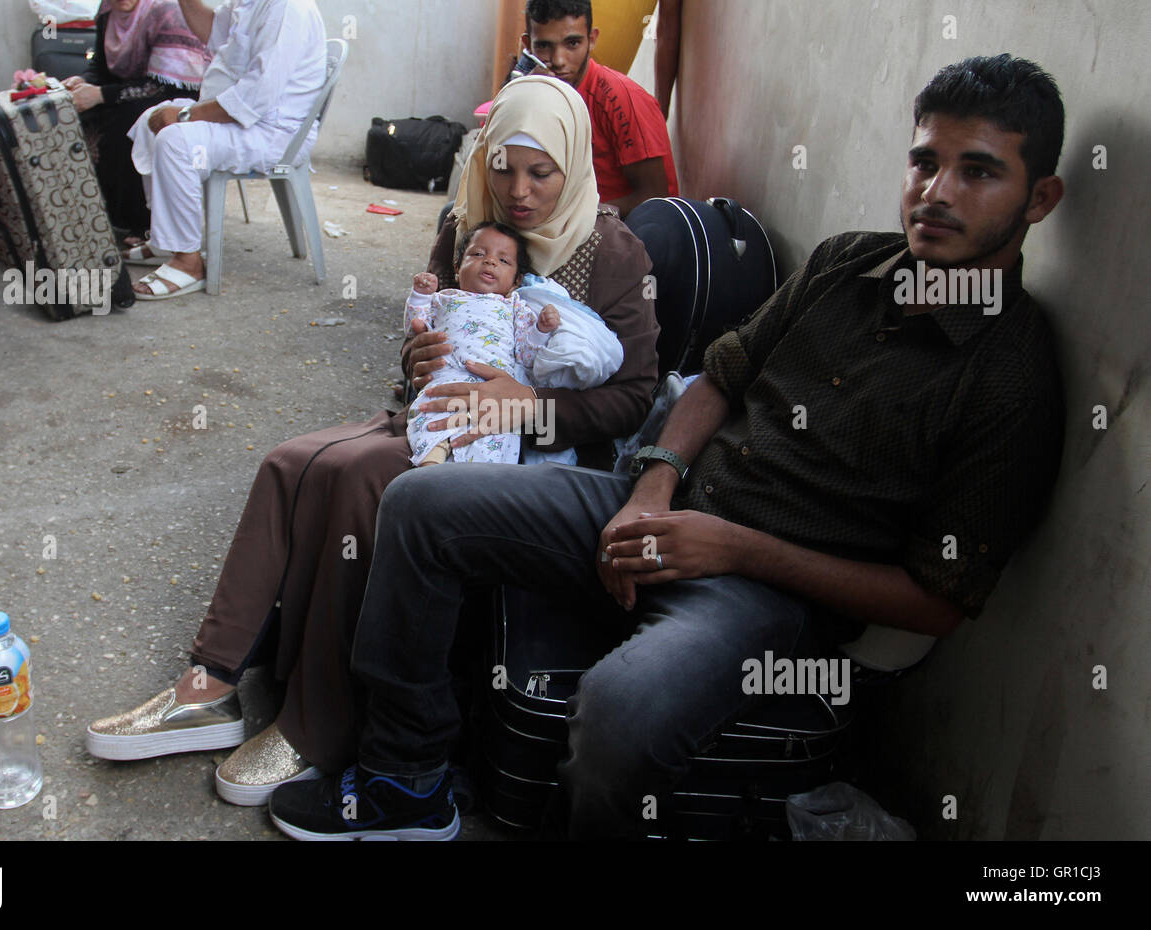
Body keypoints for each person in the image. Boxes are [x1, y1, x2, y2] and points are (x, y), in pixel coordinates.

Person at [266, 53, 1069, 841]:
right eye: (924, 162)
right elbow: (718, 376)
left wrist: (731, 548)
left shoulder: (1009, 378)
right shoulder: (845, 265)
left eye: (978, 172)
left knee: (622, 712)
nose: (936, 194)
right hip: (651, 504)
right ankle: (407, 780)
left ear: (1040, 199)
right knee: (419, 504)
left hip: (766, 594)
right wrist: (653, 489)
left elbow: (937, 600)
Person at [85, 75, 659, 811]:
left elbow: (634, 397)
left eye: (541, 172)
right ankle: (212, 681)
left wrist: (528, 409)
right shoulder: (466, 223)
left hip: (525, 454)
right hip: (434, 418)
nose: (519, 192)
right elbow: (424, 331)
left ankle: (315, 726)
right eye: (503, 167)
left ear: (573, 165)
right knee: (290, 464)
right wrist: (414, 358)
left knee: (357, 480)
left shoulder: (611, 254)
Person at [123, 0, 326, 299]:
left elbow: (256, 98)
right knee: (149, 122)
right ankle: (166, 238)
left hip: (272, 132)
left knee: (175, 140)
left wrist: (186, 116)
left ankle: (188, 262)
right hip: (244, 120)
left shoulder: (287, 8)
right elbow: (216, 33)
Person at [407, 222, 623, 467]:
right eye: (478, 254)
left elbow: (526, 355)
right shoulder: (444, 297)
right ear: (457, 268)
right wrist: (420, 295)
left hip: (498, 390)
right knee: (430, 419)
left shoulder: (515, 308)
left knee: (492, 439)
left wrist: (541, 331)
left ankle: (471, 481)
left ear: (516, 281)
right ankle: (429, 468)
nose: (490, 262)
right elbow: (416, 325)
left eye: (504, 261)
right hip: (448, 377)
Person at [62, 0, 211, 242]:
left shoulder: (167, 10)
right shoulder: (108, 11)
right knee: (71, 115)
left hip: (177, 99)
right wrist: (82, 82)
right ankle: (94, 215)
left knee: (129, 122)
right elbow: (100, 68)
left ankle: (141, 224)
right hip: (127, 93)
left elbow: (164, 86)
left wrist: (101, 95)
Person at [523, 0, 678, 218]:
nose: (558, 60)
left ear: (592, 39)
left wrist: (573, 215)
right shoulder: (531, 93)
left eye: (573, 43)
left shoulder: (621, 98)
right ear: (528, 45)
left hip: (625, 232)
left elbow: (656, 197)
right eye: (544, 46)